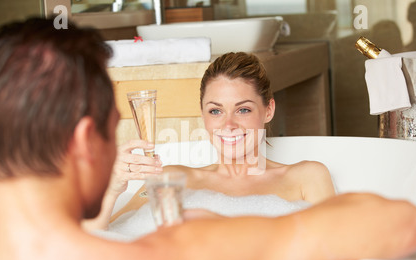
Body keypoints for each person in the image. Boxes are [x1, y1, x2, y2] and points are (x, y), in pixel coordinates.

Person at [0, 18, 416, 260]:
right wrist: (219, 235)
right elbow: (400, 223)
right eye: (110, 129)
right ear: (86, 142)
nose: (230, 124)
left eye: (243, 109)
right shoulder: (174, 252)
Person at [94, 51, 336, 230]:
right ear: (202, 115)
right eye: (215, 111)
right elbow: (101, 242)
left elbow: (337, 250)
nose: (228, 124)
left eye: (243, 110)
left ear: (268, 110)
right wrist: (112, 190)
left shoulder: (307, 177)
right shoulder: (173, 179)